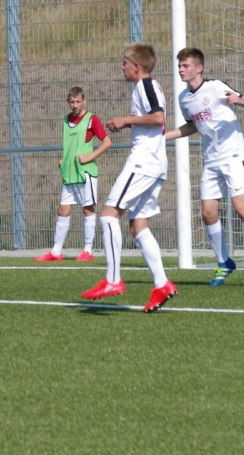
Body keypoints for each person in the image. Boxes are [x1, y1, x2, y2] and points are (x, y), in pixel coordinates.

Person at [165, 47, 244, 286]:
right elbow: (192, 126)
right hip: (211, 159)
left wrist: (239, 100)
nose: (181, 69)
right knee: (208, 212)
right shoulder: (184, 98)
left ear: (199, 68)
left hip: (234, 155)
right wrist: (165, 136)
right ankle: (224, 262)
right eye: (179, 65)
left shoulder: (215, 87)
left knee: (241, 207)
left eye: (185, 65)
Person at [81, 43, 177, 313]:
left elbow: (158, 118)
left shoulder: (145, 85)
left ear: (137, 66)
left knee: (108, 215)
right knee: (138, 225)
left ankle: (113, 280)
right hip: (154, 163)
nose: (121, 67)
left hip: (144, 162)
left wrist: (125, 120)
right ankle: (162, 284)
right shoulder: (144, 87)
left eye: (124, 63)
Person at [34, 87, 112, 263]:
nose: (75, 105)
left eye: (78, 101)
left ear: (84, 100)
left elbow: (107, 142)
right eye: (72, 102)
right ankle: (56, 252)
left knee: (87, 209)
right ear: (68, 102)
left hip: (85, 172)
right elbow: (70, 145)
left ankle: (87, 250)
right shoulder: (66, 119)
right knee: (62, 209)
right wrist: (65, 159)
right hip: (69, 173)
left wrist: (89, 157)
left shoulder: (91, 119)